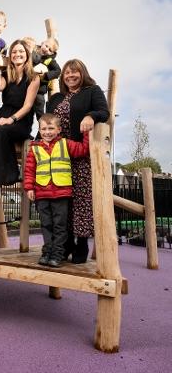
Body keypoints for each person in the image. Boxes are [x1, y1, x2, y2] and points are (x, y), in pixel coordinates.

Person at [46, 59, 109, 263]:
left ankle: (81, 243)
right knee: (61, 200)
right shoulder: (56, 98)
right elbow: (47, 121)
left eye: (75, 72)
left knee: (81, 199)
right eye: (67, 73)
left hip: (80, 154)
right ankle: (65, 244)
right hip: (59, 155)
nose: (71, 76)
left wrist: (90, 116)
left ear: (83, 73)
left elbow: (104, 112)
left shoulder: (92, 91)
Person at [23, 114, 89, 267]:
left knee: (60, 225)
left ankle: (58, 254)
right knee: (46, 225)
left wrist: (86, 133)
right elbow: (29, 170)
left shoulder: (65, 144)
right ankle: (47, 252)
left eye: (51, 128)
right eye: (44, 129)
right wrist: (29, 188)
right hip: (42, 194)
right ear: (39, 130)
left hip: (61, 194)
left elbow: (83, 150)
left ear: (59, 130)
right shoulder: (35, 148)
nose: (47, 132)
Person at [0, 39, 40, 197]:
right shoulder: (7, 73)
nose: (17, 54)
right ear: (10, 55)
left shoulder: (34, 77)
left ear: (27, 55)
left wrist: (11, 119)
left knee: (0, 132)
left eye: (21, 52)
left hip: (20, 117)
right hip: (4, 111)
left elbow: (28, 106)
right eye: (14, 52)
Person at [30, 37, 61, 121]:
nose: (47, 49)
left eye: (50, 50)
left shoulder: (50, 60)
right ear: (42, 43)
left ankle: (42, 123)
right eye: (46, 46)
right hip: (27, 86)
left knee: (39, 107)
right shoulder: (33, 51)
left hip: (39, 90)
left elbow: (58, 71)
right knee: (26, 110)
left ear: (52, 53)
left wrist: (46, 75)